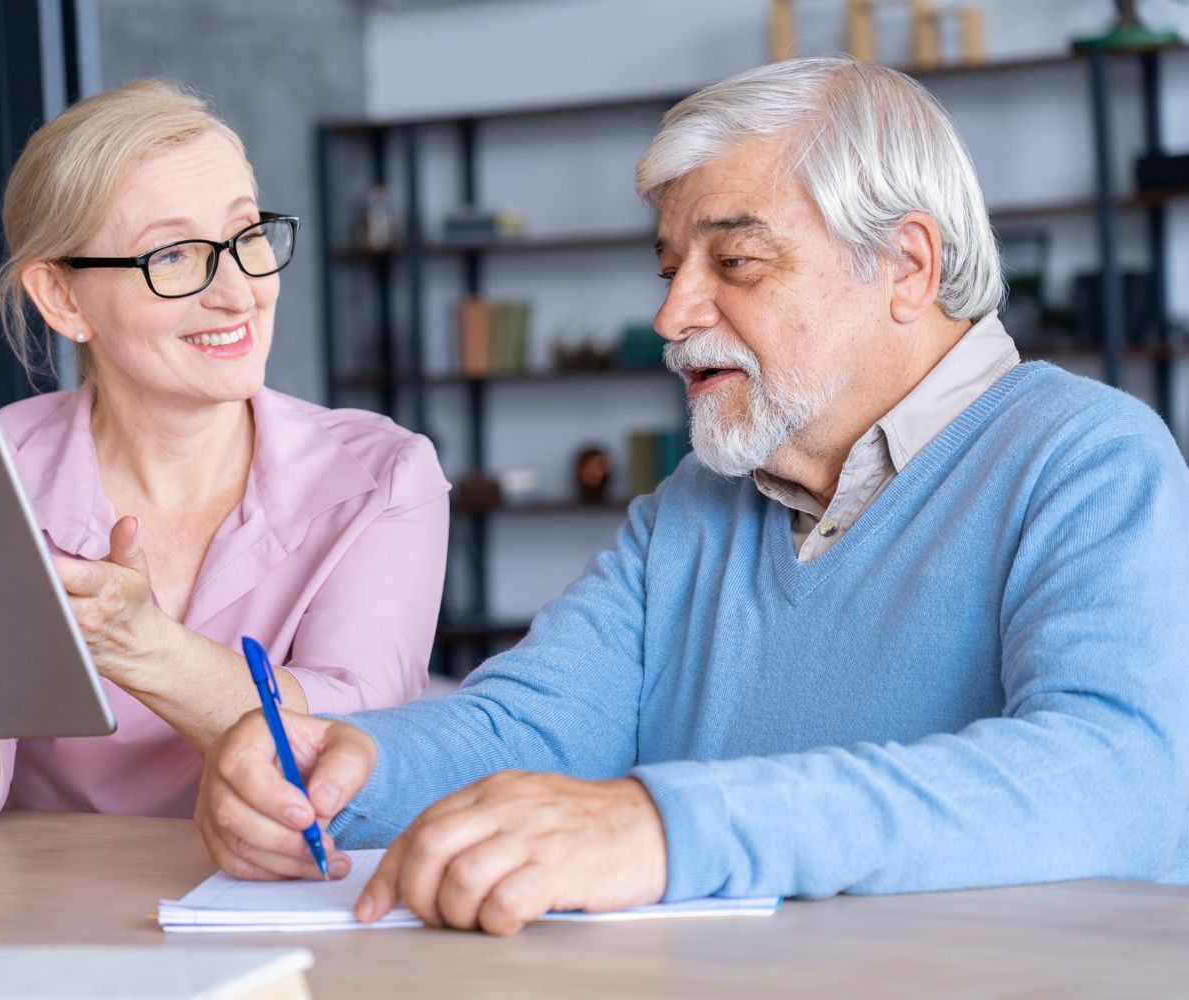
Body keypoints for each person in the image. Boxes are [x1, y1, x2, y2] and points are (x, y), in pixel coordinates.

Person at [195, 56, 1189, 936]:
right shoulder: (696, 504)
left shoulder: (1089, 461)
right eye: (671, 267)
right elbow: (535, 724)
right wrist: (348, 763)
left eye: (737, 261)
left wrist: (666, 826)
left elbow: (1116, 781)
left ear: (906, 266)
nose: (673, 314)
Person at [0, 80, 450, 832]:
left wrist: (147, 650)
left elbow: (356, 764)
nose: (239, 293)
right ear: (62, 300)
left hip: (292, 906)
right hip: (42, 923)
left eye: (246, 236)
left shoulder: (383, 476)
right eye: (173, 256)